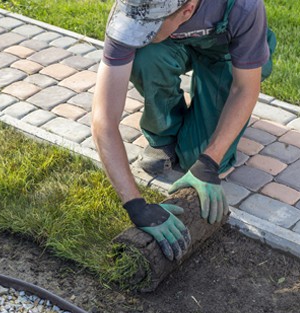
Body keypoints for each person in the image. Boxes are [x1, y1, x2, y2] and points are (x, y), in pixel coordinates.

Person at [91, 0, 275, 261]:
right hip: (173, 45)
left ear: (187, 10)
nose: (138, 31)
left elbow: (246, 88)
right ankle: (164, 135)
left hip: (225, 53)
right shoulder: (131, 10)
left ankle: (207, 100)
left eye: (150, 26)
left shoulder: (243, 6)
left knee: (197, 159)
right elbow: (103, 120)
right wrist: (135, 204)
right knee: (144, 55)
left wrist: (209, 162)